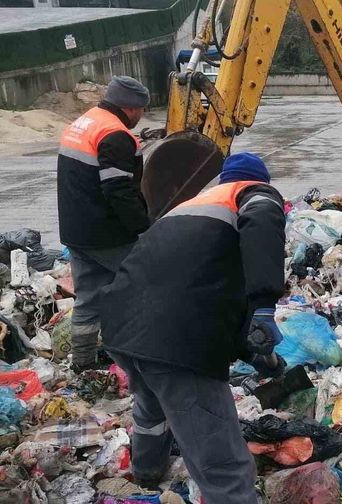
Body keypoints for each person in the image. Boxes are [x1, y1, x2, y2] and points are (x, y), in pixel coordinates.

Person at [100, 152, 287, 502]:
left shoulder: (190, 207)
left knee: (152, 404)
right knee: (223, 459)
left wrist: (255, 352)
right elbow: (263, 220)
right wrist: (264, 307)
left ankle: (146, 474)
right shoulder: (253, 195)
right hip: (174, 341)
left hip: (121, 327)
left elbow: (202, 290)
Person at [57, 75, 151, 370]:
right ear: (132, 108)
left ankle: (82, 365)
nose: (141, 116)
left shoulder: (84, 122)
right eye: (142, 110)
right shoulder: (116, 135)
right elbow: (118, 190)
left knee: (88, 300)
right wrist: (145, 229)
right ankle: (142, 357)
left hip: (77, 232)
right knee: (148, 286)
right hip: (106, 235)